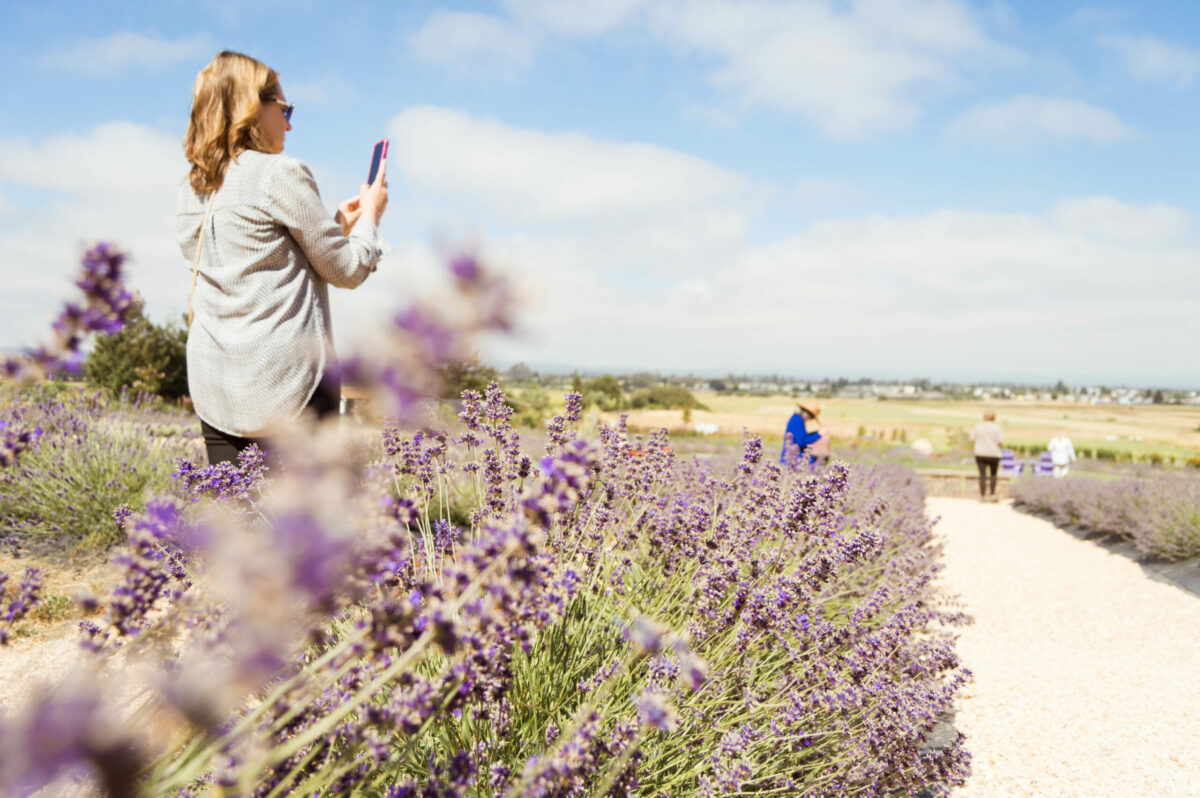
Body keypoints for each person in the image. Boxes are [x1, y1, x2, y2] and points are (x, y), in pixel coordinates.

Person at [176, 51, 389, 465]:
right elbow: (346, 270)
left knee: (237, 521)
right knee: (309, 525)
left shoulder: (191, 188)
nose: (289, 123)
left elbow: (255, 260)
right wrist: (371, 219)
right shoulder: (280, 173)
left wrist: (333, 226)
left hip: (216, 388)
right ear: (251, 107)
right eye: (285, 108)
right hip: (290, 387)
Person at [970, 410, 1003, 502]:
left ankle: (982, 495)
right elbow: (1000, 441)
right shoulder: (997, 428)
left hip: (980, 453)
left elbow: (972, 439)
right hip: (994, 453)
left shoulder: (978, 427)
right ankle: (992, 494)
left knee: (982, 475)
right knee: (993, 474)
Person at [780, 401, 823, 467]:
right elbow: (801, 441)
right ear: (807, 414)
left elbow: (801, 436)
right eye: (811, 417)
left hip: (792, 457)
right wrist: (818, 435)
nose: (810, 419)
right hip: (793, 459)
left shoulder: (797, 418)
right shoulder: (797, 420)